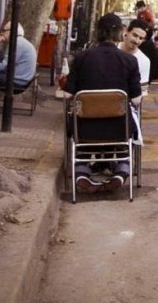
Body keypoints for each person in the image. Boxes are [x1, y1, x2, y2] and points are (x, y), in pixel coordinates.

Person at [65, 13, 142, 193]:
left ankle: (82, 173)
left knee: (80, 131)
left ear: (98, 32)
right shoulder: (130, 60)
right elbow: (136, 100)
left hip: (84, 128)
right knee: (129, 132)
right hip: (119, 128)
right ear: (120, 33)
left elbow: (68, 94)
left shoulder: (81, 58)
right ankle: (121, 172)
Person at [118, 19, 151, 84]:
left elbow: (142, 90)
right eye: (135, 35)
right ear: (127, 31)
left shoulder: (144, 61)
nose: (137, 41)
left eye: (141, 38)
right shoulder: (111, 50)